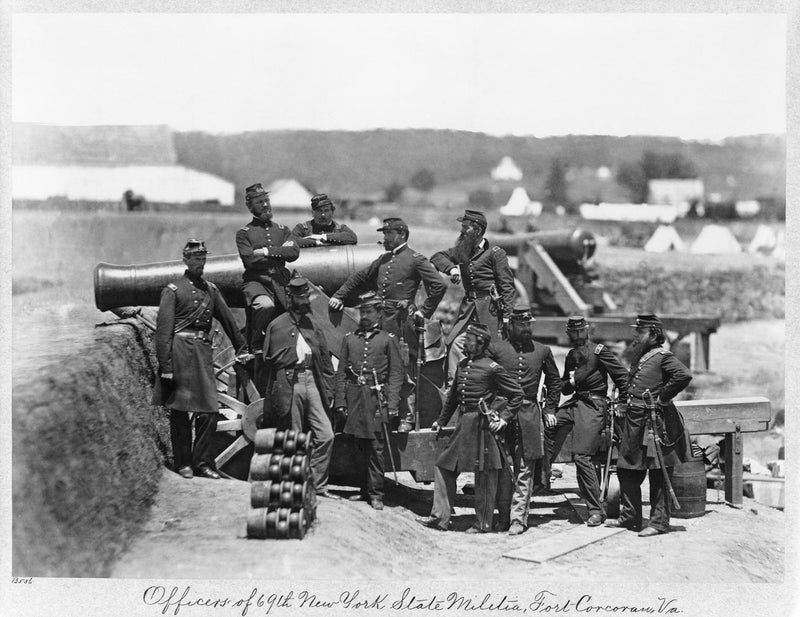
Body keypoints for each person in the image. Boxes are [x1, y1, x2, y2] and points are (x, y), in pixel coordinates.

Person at [329, 217, 446, 432]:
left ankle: (406, 418)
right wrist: (340, 295)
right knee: (380, 368)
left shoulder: (415, 259)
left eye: (388, 234)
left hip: (402, 324)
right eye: (384, 234)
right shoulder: (383, 260)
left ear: (401, 234)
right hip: (382, 321)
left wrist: (423, 311)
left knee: (403, 369)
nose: (384, 238)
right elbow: (360, 277)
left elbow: (438, 285)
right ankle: (383, 414)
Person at [152, 239, 246, 480]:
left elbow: (228, 321)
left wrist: (242, 348)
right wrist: (166, 366)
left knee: (209, 411)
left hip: (202, 352)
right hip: (180, 352)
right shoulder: (172, 290)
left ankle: (202, 462)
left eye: (203, 259)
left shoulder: (211, 291)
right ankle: (183, 463)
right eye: (195, 259)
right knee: (180, 411)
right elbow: (163, 333)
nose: (200, 263)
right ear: (185, 260)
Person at [416, 323, 523, 533]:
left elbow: (517, 394)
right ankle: (439, 518)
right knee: (443, 466)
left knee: (484, 474)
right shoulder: (463, 364)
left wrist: (503, 418)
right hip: (464, 424)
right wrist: (441, 420)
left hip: (483, 427)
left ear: (480, 342)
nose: (466, 341)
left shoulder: (492, 368)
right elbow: (453, 397)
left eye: (470, 338)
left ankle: (483, 523)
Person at [606, 314, 692, 537]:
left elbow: (683, 375)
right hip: (634, 421)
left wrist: (663, 398)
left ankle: (659, 523)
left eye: (640, 332)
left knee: (659, 472)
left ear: (653, 334)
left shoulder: (663, 356)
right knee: (627, 469)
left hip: (655, 422)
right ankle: (630, 518)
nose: (636, 336)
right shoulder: (641, 355)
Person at [546, 315, 628, 526]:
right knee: (545, 426)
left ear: (587, 331)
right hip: (575, 403)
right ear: (569, 334)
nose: (578, 336)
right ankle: (542, 478)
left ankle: (595, 510)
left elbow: (622, 377)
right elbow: (565, 387)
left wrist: (622, 402)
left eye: (581, 332)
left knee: (582, 456)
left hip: (594, 405)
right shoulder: (572, 355)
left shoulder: (599, 352)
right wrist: (570, 381)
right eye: (574, 333)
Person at [262, 276, 339, 499]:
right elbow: (268, 361)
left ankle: (317, 485)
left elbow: (325, 361)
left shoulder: (313, 324)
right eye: (300, 298)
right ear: (291, 298)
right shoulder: (277, 325)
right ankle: (295, 486)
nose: (305, 301)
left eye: (306, 297)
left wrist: (330, 389)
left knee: (326, 434)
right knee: (293, 436)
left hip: (311, 380)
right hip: (289, 382)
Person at [492, 306, 562, 535]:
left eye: (528, 324)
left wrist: (550, 408)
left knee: (525, 467)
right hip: (502, 412)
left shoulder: (542, 351)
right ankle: (502, 516)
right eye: (521, 324)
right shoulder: (496, 349)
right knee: (502, 466)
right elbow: (485, 378)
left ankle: (517, 519)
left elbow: (554, 382)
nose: (525, 328)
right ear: (510, 325)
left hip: (530, 414)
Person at [334, 291, 404, 510]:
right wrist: (340, 402)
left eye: (368, 312)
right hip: (355, 399)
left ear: (378, 314)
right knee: (359, 447)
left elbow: (396, 374)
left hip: (376, 400)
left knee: (376, 447)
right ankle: (364, 490)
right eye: (362, 312)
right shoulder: (349, 339)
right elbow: (342, 373)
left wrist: (392, 405)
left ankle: (376, 493)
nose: (364, 316)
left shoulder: (387, 340)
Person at [430, 209, 516, 383]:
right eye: (462, 227)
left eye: (466, 227)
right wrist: (452, 268)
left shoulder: (495, 253)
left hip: (490, 310)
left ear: (477, 230)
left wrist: (507, 317)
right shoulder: (462, 251)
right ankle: (454, 387)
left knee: (491, 351)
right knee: (453, 345)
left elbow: (507, 286)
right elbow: (437, 257)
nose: (462, 231)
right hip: (468, 309)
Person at [235, 183, 300, 394]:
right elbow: (250, 261)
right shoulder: (244, 233)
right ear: (250, 207)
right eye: (259, 203)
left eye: (266, 201)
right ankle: (254, 344)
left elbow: (294, 253)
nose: (265, 206)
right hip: (257, 283)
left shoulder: (282, 230)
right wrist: (278, 252)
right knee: (264, 306)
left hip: (280, 283)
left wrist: (265, 251)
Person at [291, 194, 358, 247]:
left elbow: (352, 237)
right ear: (312, 213)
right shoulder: (303, 228)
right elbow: (291, 241)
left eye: (326, 211)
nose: (323, 215)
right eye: (319, 211)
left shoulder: (340, 229)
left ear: (332, 212)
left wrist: (324, 237)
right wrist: (314, 242)